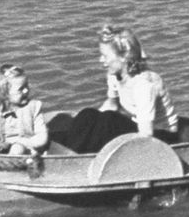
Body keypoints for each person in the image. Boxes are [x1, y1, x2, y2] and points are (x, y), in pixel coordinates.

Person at [45, 25, 180, 152]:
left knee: (108, 121)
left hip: (162, 139)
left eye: (105, 56)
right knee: (88, 114)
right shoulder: (115, 74)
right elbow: (111, 104)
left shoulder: (143, 85)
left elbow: (146, 134)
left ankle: (72, 154)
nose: (101, 60)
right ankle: (61, 145)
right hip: (138, 127)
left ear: (124, 58)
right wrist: (91, 122)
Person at [0, 64, 50, 156]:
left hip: (27, 149)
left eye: (26, 86)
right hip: (2, 149)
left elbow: (42, 138)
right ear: (4, 93)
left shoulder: (34, 107)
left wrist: (21, 142)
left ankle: (9, 165)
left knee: (17, 148)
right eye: (21, 89)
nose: (26, 91)